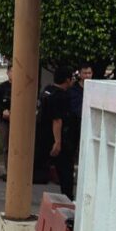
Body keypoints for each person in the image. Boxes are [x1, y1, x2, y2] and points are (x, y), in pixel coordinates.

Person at [35, 68, 75, 199]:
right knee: (65, 171)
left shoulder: (47, 90)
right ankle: (68, 197)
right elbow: (57, 120)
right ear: (67, 80)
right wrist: (58, 142)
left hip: (41, 135)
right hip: (54, 138)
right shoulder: (61, 96)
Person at [67, 63, 91, 162]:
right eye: (85, 73)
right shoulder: (73, 90)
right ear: (80, 74)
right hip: (75, 125)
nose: (87, 76)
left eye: (89, 73)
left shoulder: (94, 88)